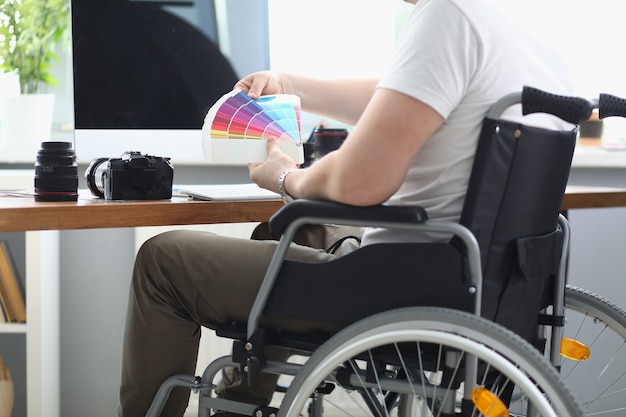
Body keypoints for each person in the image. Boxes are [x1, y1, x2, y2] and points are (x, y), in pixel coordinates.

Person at [118, 0, 574, 415]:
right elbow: (403, 98)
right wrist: (290, 85)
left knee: (163, 260)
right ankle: (241, 404)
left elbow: (360, 182)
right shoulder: (526, 25)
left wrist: (284, 175)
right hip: (485, 281)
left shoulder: (449, 14)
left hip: (400, 288)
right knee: (289, 233)